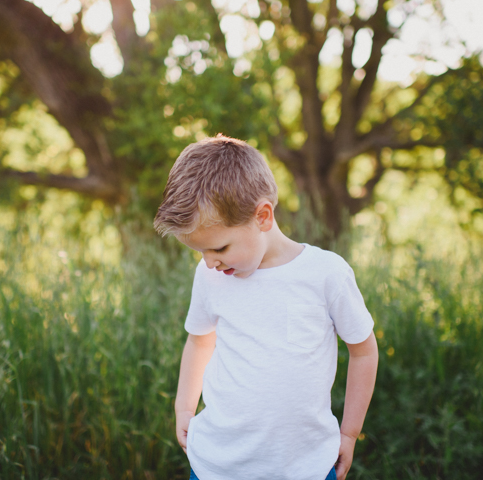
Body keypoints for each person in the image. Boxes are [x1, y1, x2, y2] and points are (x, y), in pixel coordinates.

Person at [154, 135, 379, 480]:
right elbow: (200, 341)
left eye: (220, 248)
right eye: (200, 253)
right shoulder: (210, 275)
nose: (210, 262)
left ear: (262, 216)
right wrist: (183, 407)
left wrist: (349, 432)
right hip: (216, 465)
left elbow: (363, 352)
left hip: (306, 466)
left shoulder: (325, 274)